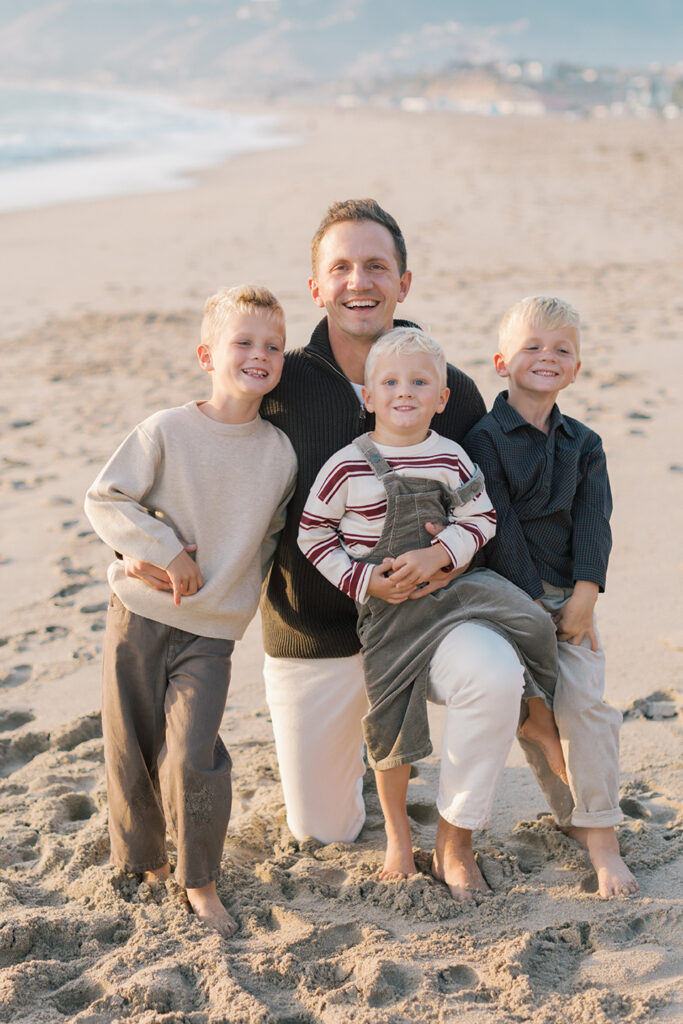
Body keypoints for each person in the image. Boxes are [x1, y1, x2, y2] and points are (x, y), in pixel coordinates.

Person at [121, 200, 536, 901]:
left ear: (403, 282)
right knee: (324, 830)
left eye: (376, 266)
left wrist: (475, 570)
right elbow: (206, 459)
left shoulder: (446, 386)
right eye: (339, 267)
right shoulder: (279, 378)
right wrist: (146, 548)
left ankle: (454, 840)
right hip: (314, 636)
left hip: (426, 621)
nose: (358, 281)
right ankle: (376, 766)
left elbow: (491, 505)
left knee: (493, 675)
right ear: (316, 287)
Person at [298, 327, 558, 879]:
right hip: (388, 611)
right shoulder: (347, 465)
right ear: (368, 397)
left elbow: (481, 518)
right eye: (389, 382)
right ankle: (397, 836)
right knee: (391, 724)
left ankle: (536, 710)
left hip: (454, 593)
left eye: (420, 382)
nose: (404, 392)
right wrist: (366, 582)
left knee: (531, 621)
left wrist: (441, 554)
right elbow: (314, 534)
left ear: (442, 399)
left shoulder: (451, 458)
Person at [84, 285, 297, 935]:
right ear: (208, 353)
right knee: (131, 749)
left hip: (209, 633)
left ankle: (199, 878)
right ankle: (143, 861)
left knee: (192, 754)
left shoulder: (280, 454)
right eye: (243, 342)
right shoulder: (166, 430)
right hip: (138, 617)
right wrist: (160, 551)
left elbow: (270, 544)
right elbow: (105, 500)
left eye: (273, 346)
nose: (259, 354)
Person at [464, 295, 639, 898]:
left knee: (585, 705)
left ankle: (601, 837)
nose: (547, 357)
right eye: (532, 346)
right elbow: (498, 524)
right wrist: (530, 607)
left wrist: (587, 592)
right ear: (500, 361)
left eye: (561, 350)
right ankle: (571, 811)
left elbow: (596, 516)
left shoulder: (583, 443)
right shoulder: (482, 439)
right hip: (503, 594)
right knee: (532, 710)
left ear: (577, 368)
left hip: (570, 597)